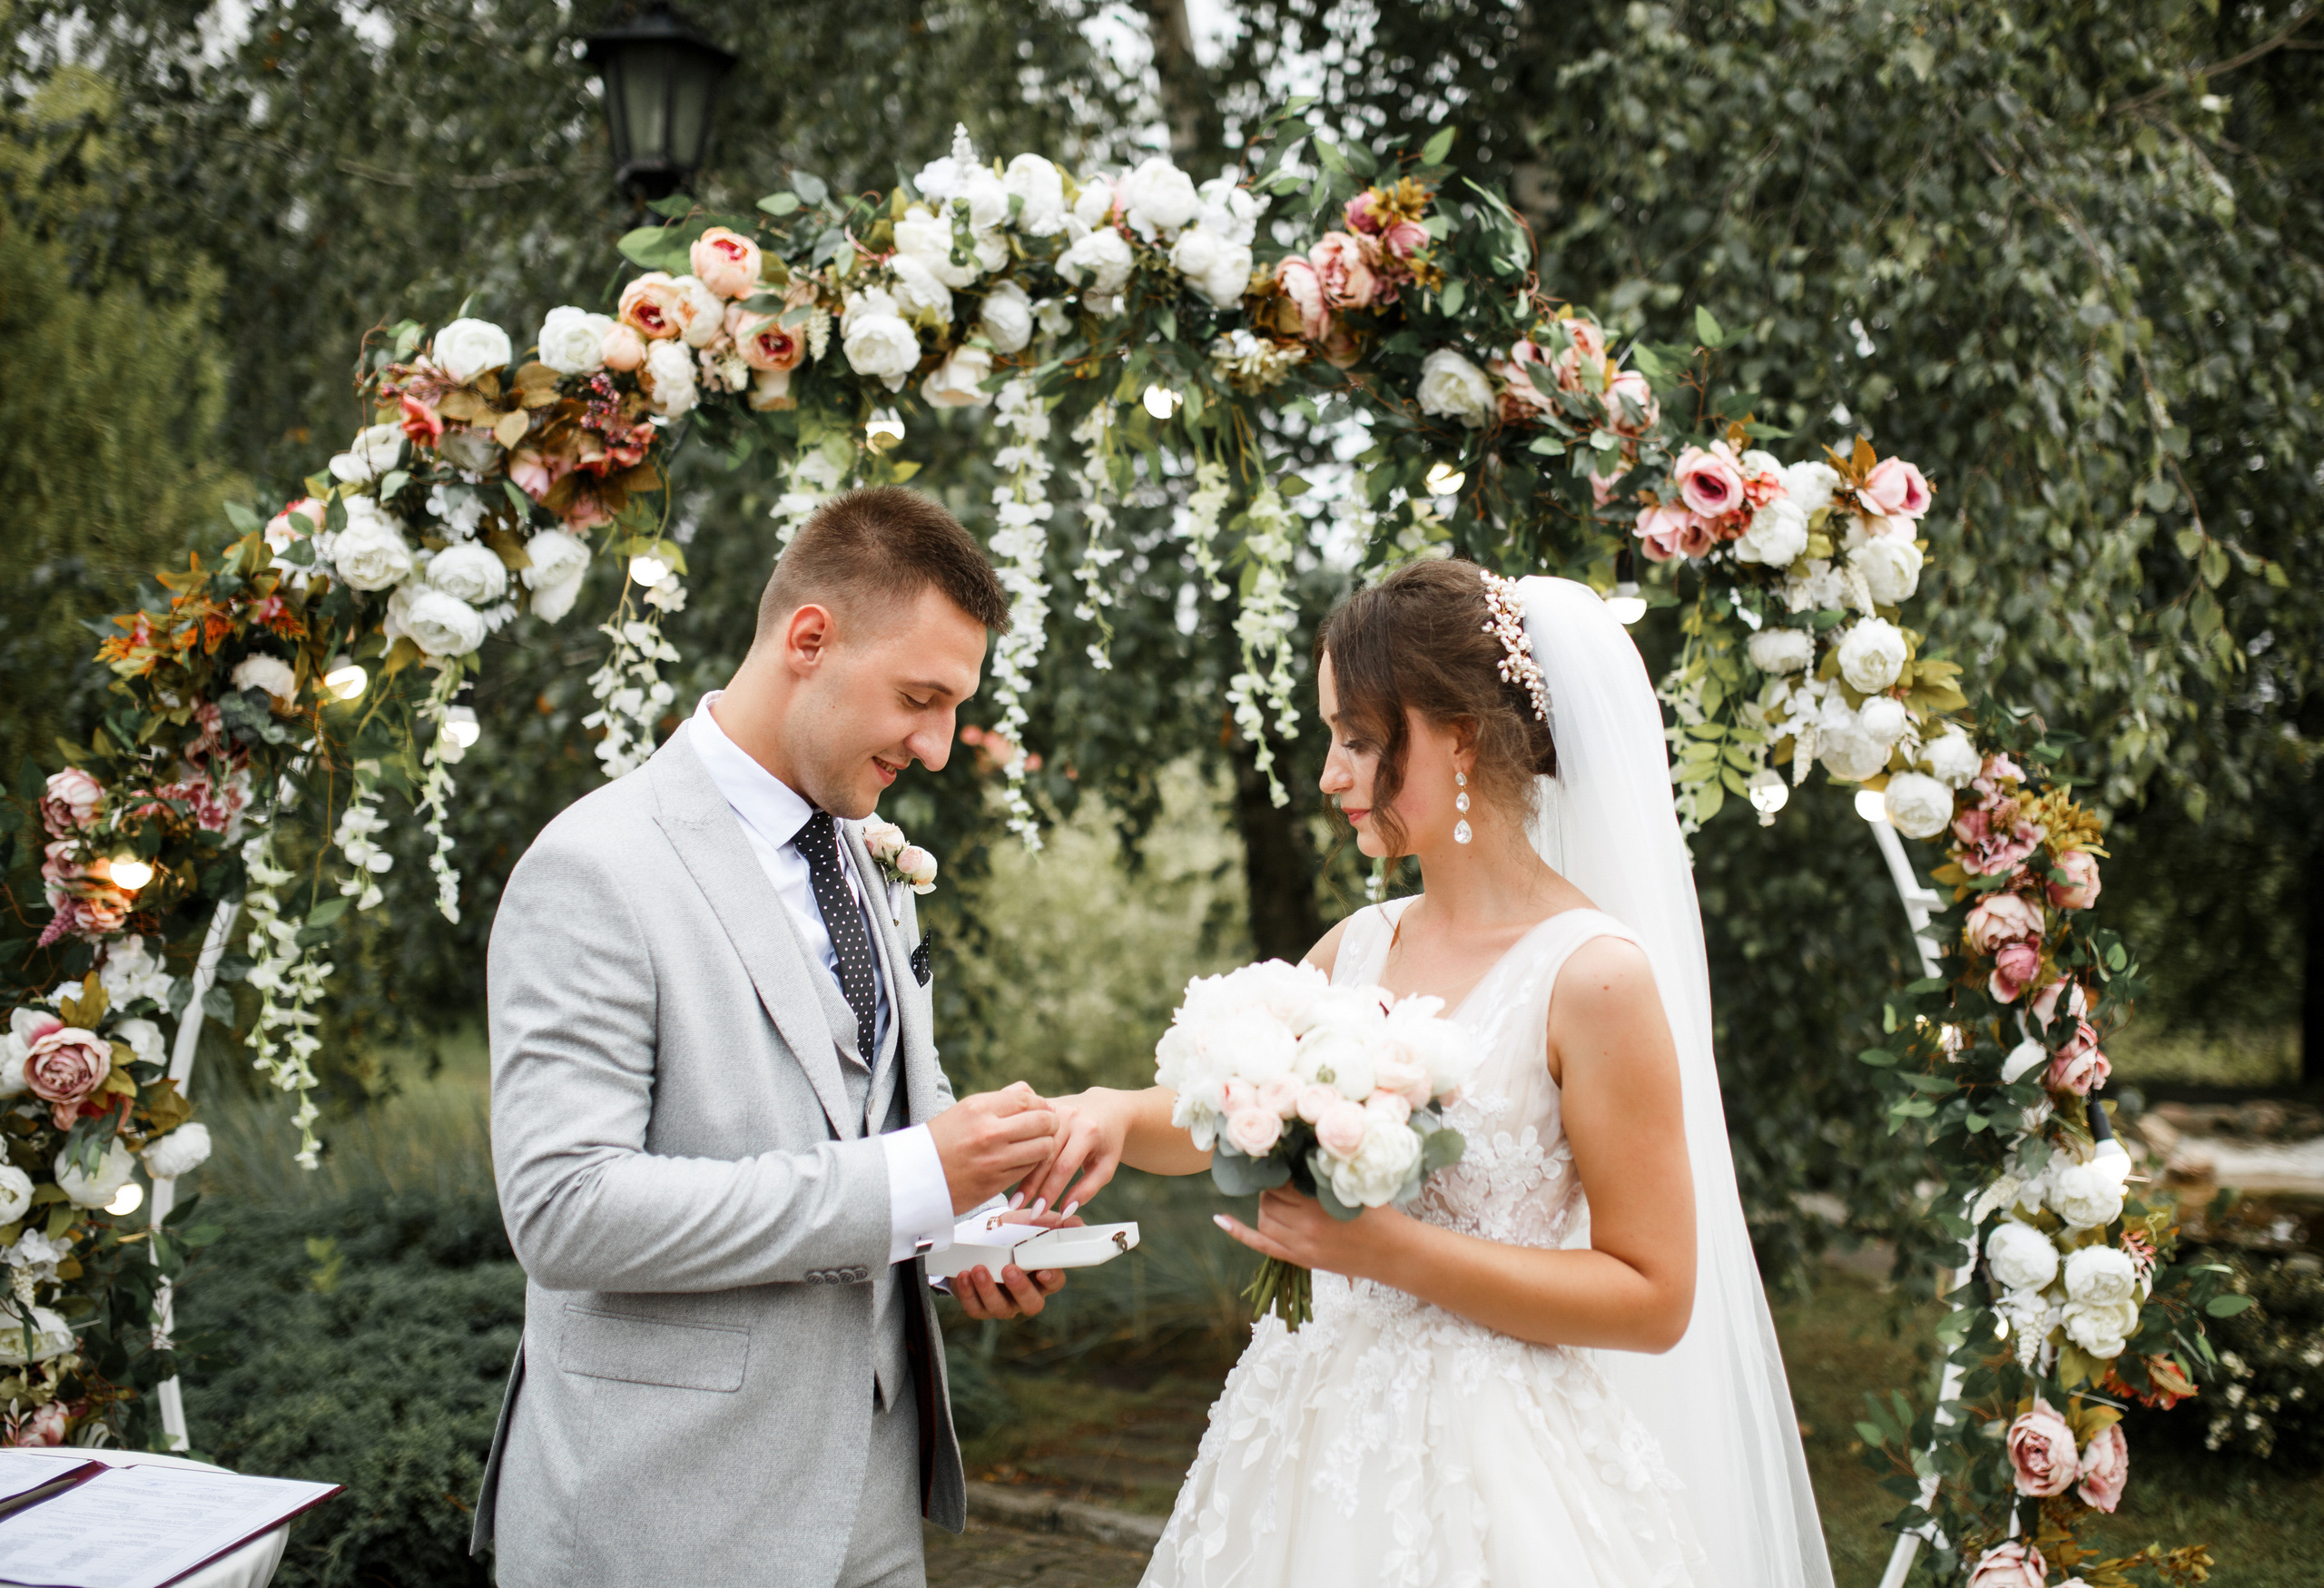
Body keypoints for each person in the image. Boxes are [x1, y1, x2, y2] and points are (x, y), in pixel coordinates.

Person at [1027, 562, 1833, 1588]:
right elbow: (1225, 1119)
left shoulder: (1590, 977)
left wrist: (1388, 1251)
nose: (1329, 776)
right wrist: (1100, 1116)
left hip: (1495, 1473)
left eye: (1359, 739)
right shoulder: (1357, 946)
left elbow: (1652, 1295)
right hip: (1305, 1436)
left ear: (1456, 734)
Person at [474, 487, 1072, 1588]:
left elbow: (878, 1118)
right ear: (809, 640)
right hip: (665, 1516)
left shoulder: (860, 852)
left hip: (873, 1495)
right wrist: (905, 1183)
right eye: (919, 699)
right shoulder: (596, 868)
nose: (938, 749)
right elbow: (566, 1212)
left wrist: (966, 1229)